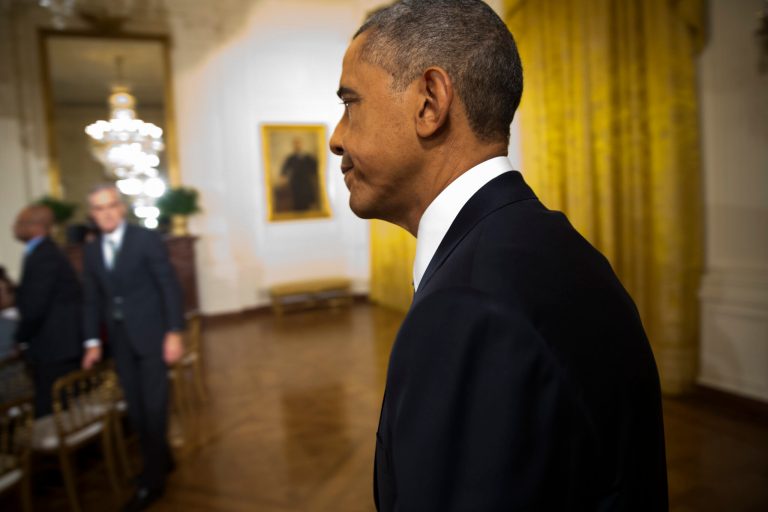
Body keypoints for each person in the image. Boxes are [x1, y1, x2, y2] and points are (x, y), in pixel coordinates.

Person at [329, 1, 668, 510]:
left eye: (350, 104)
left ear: (429, 103)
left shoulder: (468, 307)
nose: (337, 138)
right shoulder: (553, 247)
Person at [80, 184, 184, 511]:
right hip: (120, 341)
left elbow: (168, 285)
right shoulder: (92, 251)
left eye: (111, 205)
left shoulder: (144, 239)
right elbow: (92, 299)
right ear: (92, 215)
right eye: (99, 208)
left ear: (121, 208)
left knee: (153, 409)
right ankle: (163, 460)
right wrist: (92, 342)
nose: (106, 212)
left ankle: (152, 482)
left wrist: (174, 331)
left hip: (153, 335)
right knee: (136, 410)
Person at [12, 205, 83, 416]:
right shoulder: (46, 252)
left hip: (55, 349)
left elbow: (35, 307)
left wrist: (21, 338)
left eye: (19, 223)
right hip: (60, 346)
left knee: (56, 415)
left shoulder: (43, 255)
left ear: (36, 227)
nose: (13, 228)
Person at [280, 137, 319, 211]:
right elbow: (284, 169)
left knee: (307, 199)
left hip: (306, 181)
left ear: (301, 145)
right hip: (295, 182)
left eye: (298, 144)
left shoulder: (308, 157)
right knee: (297, 200)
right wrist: (283, 177)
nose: (297, 146)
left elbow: (315, 167)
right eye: (295, 144)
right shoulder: (290, 158)